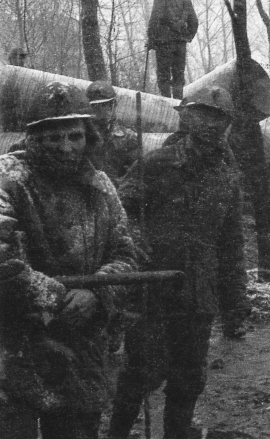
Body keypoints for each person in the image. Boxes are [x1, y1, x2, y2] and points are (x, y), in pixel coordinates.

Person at [0, 81, 137, 439]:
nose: (66, 147)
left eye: (74, 136)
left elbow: (125, 254)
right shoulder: (4, 176)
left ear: (88, 136)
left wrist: (97, 294)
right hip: (12, 344)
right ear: (33, 138)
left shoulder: (100, 185)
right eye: (53, 137)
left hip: (79, 348)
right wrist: (58, 298)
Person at [108, 86, 251, 439]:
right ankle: (117, 434)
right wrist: (135, 238)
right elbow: (118, 210)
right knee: (142, 371)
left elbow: (231, 244)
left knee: (189, 376)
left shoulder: (227, 176)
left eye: (220, 118)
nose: (212, 124)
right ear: (186, 117)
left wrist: (235, 301)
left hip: (198, 291)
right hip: (152, 287)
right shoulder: (157, 163)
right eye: (204, 114)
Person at [147, 0, 199, 99]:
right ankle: (178, 103)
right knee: (178, 76)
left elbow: (155, 19)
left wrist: (151, 39)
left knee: (163, 77)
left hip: (164, 43)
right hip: (180, 45)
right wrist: (186, 36)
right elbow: (194, 22)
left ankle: (167, 105)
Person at [84, 82, 140, 182]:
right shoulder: (81, 135)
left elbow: (134, 175)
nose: (100, 109)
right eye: (95, 105)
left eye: (104, 104)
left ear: (114, 104)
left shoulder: (128, 138)